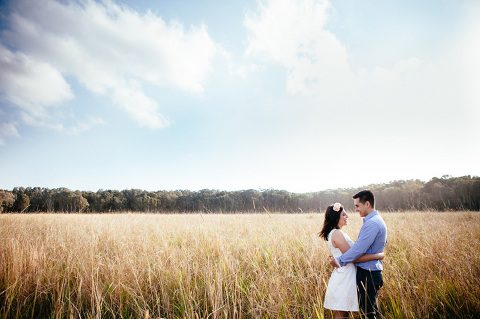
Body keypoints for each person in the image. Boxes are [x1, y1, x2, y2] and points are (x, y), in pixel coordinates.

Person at [320, 202, 384, 319]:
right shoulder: (337, 233)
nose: (347, 216)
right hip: (344, 276)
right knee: (341, 312)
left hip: (347, 274)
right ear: (336, 218)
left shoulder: (338, 233)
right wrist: (377, 256)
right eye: (343, 215)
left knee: (344, 311)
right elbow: (353, 257)